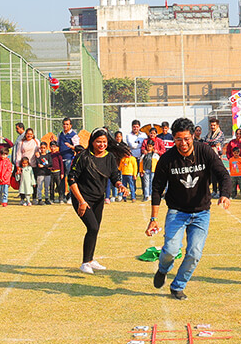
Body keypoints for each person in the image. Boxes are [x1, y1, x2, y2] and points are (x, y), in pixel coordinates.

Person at [147, 118, 231, 300]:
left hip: (201, 213)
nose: (183, 144)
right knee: (170, 250)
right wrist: (153, 219)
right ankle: (163, 269)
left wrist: (225, 193)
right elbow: (156, 188)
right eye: (178, 139)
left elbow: (223, 174)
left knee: (194, 253)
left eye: (186, 139)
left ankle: (178, 286)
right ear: (173, 139)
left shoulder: (204, 151)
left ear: (193, 136)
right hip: (177, 211)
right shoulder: (167, 159)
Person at [68, 128, 129, 274]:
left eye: (104, 142)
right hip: (82, 199)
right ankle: (84, 263)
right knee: (93, 227)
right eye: (98, 142)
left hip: (98, 199)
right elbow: (71, 179)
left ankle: (90, 260)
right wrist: (81, 202)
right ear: (92, 142)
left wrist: (120, 186)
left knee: (94, 230)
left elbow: (115, 177)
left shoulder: (109, 157)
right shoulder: (83, 156)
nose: (101, 145)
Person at [58, 117, 80, 203]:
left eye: (67, 124)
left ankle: (71, 196)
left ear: (70, 125)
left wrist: (71, 147)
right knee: (61, 179)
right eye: (64, 124)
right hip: (60, 159)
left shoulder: (73, 135)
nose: (65, 126)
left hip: (69, 159)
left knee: (70, 178)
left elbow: (78, 148)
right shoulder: (61, 134)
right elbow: (58, 144)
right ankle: (62, 197)